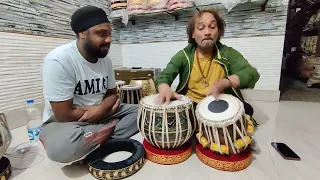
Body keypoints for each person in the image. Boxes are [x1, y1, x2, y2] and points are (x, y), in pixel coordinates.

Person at [39, 6, 138, 164]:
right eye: (101, 34)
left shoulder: (105, 60)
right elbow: (63, 114)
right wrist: (102, 112)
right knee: (61, 147)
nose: (109, 40)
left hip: (101, 113)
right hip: (68, 122)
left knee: (141, 112)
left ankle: (94, 140)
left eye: (109, 34)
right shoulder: (59, 60)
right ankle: (105, 135)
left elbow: (112, 94)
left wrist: (101, 110)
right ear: (82, 34)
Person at [155, 8, 260, 124]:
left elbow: (251, 73)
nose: (207, 32)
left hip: (217, 101)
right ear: (193, 34)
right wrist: (164, 89)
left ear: (219, 32)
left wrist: (227, 81)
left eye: (212, 27)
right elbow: (165, 75)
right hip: (192, 104)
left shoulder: (228, 53)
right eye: (201, 28)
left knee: (247, 109)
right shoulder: (184, 55)